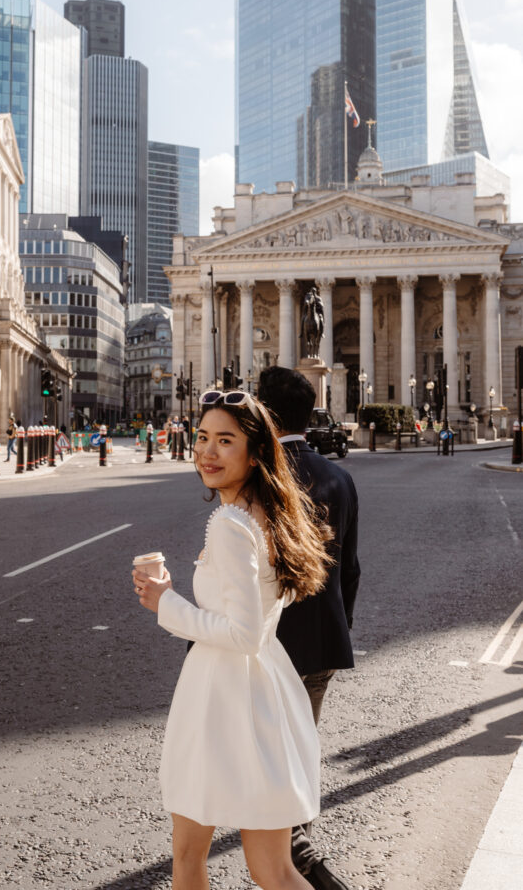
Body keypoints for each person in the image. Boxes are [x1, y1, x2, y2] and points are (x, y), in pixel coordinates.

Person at [133, 388, 333, 890]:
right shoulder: (270, 512)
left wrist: (166, 604)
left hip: (222, 698)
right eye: (202, 438)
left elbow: (241, 633)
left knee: (188, 856)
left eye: (226, 441)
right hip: (264, 692)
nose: (207, 452)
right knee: (273, 867)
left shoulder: (230, 524)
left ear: (254, 451)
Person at [258, 366, 360, 890]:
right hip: (321, 641)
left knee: (258, 760)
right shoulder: (341, 478)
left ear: (264, 415)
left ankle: (297, 854)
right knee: (299, 748)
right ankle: (295, 842)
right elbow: (351, 569)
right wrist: (336, 624)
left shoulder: (260, 477)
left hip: (263, 648)